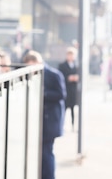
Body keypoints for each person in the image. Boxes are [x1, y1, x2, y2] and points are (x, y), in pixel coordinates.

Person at [23, 50, 66, 179]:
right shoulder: (33, 75)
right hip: (41, 121)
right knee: (42, 152)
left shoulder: (53, 74)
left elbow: (61, 95)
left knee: (46, 152)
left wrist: (43, 93)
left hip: (50, 121)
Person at [58, 47, 80, 130]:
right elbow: (60, 76)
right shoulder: (62, 65)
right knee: (64, 109)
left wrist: (76, 78)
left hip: (73, 91)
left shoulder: (76, 66)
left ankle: (73, 126)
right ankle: (62, 126)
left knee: (73, 110)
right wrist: (68, 78)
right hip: (65, 90)